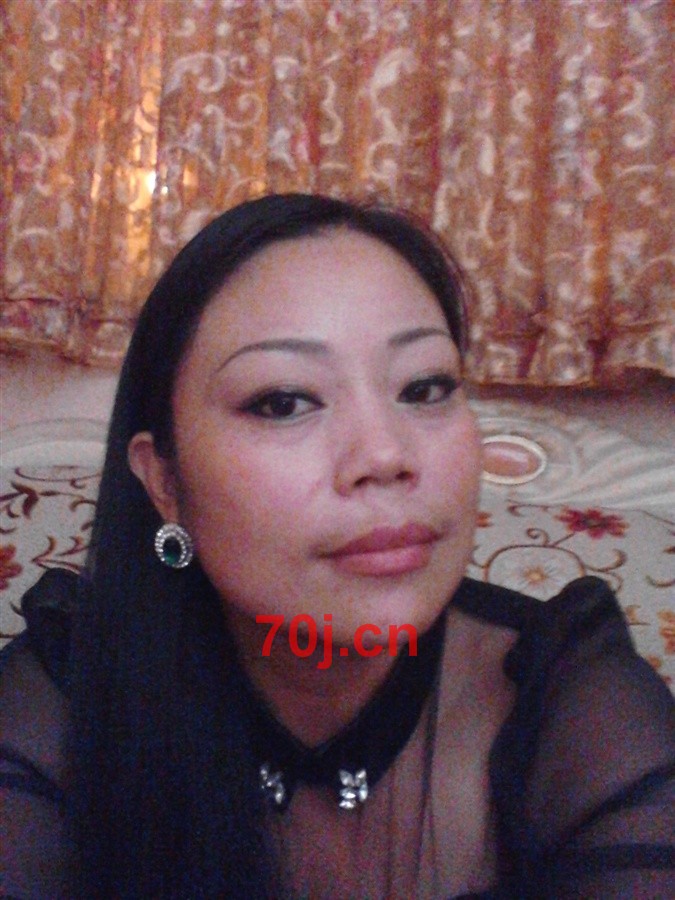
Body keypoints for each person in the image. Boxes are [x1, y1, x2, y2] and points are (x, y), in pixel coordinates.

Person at [0, 193, 673, 899]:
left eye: (424, 388)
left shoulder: (565, 696)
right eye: (283, 402)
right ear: (165, 482)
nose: (385, 454)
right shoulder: (69, 690)